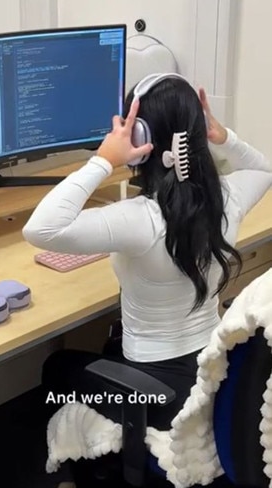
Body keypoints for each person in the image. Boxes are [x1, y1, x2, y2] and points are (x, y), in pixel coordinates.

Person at [22, 74, 272, 484]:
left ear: (139, 138)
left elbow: (41, 229)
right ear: (197, 134)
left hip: (158, 395)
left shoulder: (139, 220)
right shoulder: (228, 198)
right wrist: (222, 136)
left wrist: (105, 158)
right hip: (211, 371)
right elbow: (263, 168)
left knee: (57, 367)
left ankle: (75, 472)